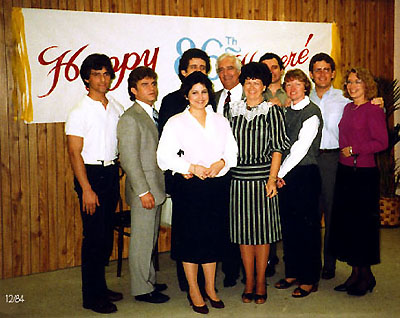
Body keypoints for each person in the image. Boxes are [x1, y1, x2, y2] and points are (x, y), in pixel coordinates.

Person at [157, 71, 238, 314]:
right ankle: (194, 290)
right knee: (191, 240)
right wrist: (190, 167)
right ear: (186, 95)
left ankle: (210, 288)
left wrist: (221, 163)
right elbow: (163, 157)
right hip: (189, 187)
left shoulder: (220, 121)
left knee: (212, 239)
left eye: (204, 92)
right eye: (195, 92)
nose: (200, 97)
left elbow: (232, 152)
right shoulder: (176, 122)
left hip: (215, 187)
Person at [309, 53, 384, 280]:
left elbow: (372, 123)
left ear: (332, 73)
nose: (322, 73)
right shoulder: (302, 96)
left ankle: (329, 265)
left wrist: (378, 102)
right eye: (317, 69)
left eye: (326, 69)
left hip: (336, 162)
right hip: (310, 161)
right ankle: (311, 264)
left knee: (335, 215)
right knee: (311, 215)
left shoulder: (344, 99)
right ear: (311, 74)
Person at [65, 53, 124, 314]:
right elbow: (74, 153)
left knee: (105, 235)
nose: (103, 78)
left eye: (106, 73)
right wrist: (86, 188)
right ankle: (91, 296)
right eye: (97, 74)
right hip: (90, 176)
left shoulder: (115, 107)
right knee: (93, 238)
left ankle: (100, 287)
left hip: (110, 173)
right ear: (86, 78)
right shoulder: (79, 111)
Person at [229, 62, 289, 304]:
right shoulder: (231, 111)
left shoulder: (272, 111)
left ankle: (261, 280)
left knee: (262, 234)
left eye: (256, 82)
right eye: (248, 82)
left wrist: (273, 179)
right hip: (239, 179)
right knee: (244, 234)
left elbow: (278, 148)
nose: (252, 86)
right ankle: (249, 280)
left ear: (264, 85)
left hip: (263, 178)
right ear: (242, 84)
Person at [329, 67, 388, 296]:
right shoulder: (348, 107)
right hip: (345, 173)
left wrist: (355, 149)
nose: (353, 86)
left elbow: (381, 142)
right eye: (350, 82)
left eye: (358, 82)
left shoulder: (373, 109)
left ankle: (366, 275)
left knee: (362, 228)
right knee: (349, 226)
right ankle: (356, 273)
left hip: (363, 174)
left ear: (367, 86)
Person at [158, 48, 212, 293]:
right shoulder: (171, 101)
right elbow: (168, 144)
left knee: (206, 230)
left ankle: (207, 283)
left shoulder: (210, 101)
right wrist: (183, 168)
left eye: (202, 67)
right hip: (185, 176)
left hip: (209, 177)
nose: (198, 72)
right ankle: (188, 283)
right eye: (193, 67)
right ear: (182, 72)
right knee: (186, 232)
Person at [117, 67, 169, 304]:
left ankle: (147, 279)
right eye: (146, 84)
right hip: (144, 190)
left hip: (156, 187)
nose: (152, 88)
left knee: (149, 239)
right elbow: (128, 159)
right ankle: (141, 289)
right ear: (133, 90)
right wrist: (143, 191)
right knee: (141, 241)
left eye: (153, 83)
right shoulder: (130, 118)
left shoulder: (152, 113)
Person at [275, 69, 323, 298]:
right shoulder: (286, 111)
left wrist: (278, 174)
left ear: (306, 87)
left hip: (304, 174)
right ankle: (292, 271)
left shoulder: (312, 112)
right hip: (286, 175)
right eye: (289, 84)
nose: (293, 89)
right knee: (290, 226)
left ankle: (309, 278)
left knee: (308, 229)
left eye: (298, 84)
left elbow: (300, 149)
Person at [214, 53, 243, 287]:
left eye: (230, 68)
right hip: (220, 170)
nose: (226, 73)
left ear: (239, 71)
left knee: (245, 219)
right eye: (221, 69)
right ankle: (230, 269)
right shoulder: (213, 98)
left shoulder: (253, 95)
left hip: (245, 169)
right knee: (224, 220)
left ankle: (254, 266)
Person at [259, 52, 289, 277]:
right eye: (265, 68)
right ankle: (267, 260)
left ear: (281, 69)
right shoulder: (253, 92)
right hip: (262, 163)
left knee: (287, 215)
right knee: (264, 214)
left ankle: (291, 264)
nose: (271, 71)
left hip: (290, 161)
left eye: (274, 67)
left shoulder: (291, 91)